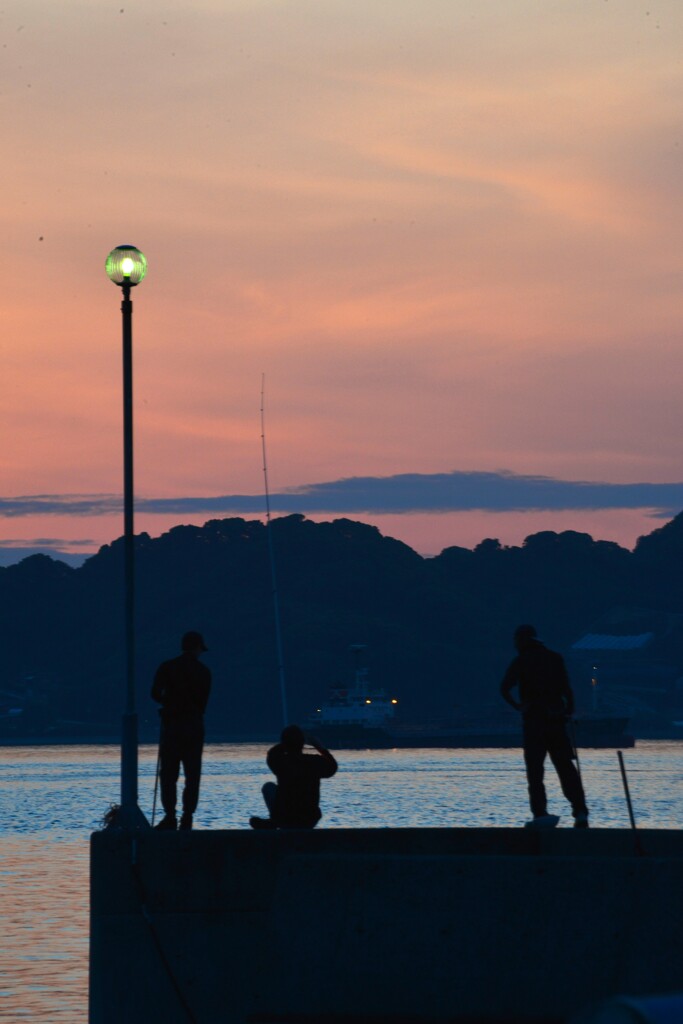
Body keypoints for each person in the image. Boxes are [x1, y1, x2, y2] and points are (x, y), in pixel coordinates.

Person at [501, 624, 589, 829]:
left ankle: (540, 813)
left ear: (522, 640)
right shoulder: (554, 658)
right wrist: (567, 712)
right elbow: (568, 690)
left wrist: (518, 706)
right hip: (556, 722)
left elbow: (504, 688)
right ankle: (580, 811)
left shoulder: (521, 661)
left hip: (533, 723)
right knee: (566, 768)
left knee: (535, 771)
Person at [151, 630, 211, 831]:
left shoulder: (167, 667)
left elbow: (154, 693)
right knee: (192, 774)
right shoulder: (204, 672)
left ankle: (170, 816)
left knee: (169, 773)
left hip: (173, 725)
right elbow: (203, 704)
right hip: (194, 726)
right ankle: (187, 817)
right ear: (196, 648)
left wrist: (167, 703)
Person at [250, 725, 338, 829]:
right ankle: (277, 821)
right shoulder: (314, 762)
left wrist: (286, 743)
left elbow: (272, 754)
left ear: (284, 743)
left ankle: (275, 821)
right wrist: (319, 746)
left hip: (285, 817)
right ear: (302, 744)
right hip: (309, 819)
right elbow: (333, 767)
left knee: (268, 787)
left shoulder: (281, 762)